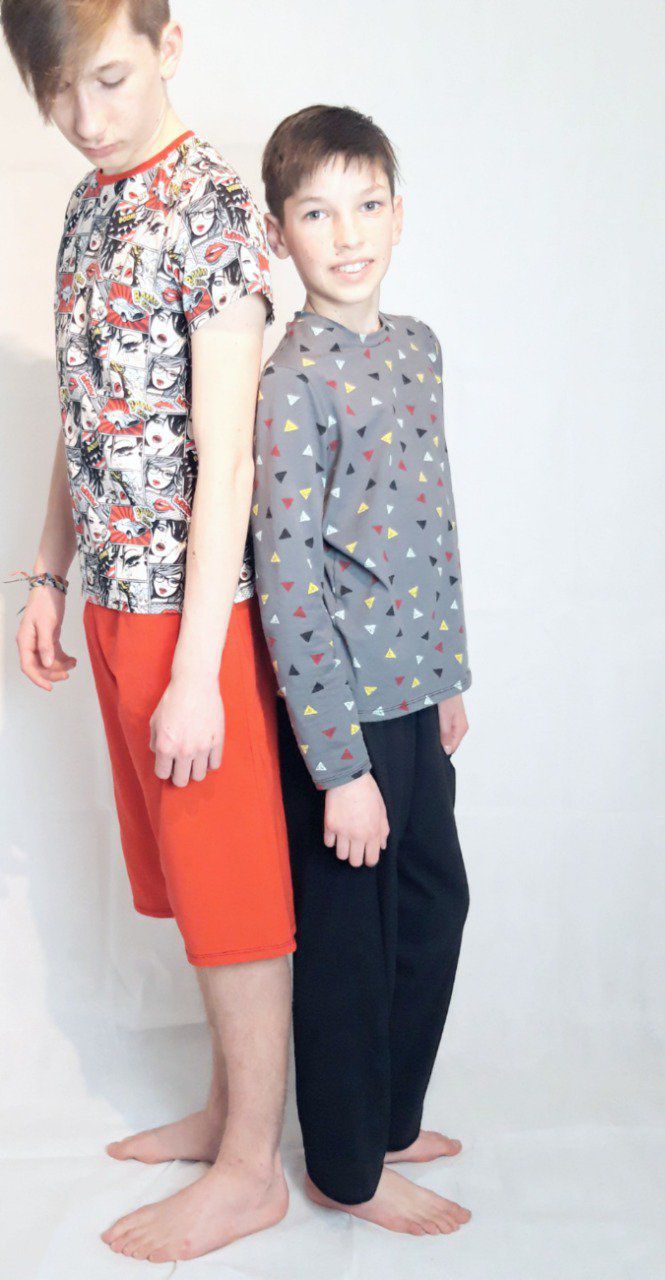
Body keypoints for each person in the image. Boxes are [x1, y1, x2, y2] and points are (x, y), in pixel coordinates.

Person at [2, 0, 294, 1263]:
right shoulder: (89, 205)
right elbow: (86, 410)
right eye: (57, 92)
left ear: (168, 50)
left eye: (108, 79)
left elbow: (228, 463)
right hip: (114, 600)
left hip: (199, 614)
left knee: (233, 887)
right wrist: (48, 571)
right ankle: (227, 1113)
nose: (83, 117)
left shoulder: (213, 210)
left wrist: (197, 672)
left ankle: (251, 1170)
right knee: (185, 878)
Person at [252, 104, 473, 1237]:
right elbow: (286, 574)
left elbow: (430, 519)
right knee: (348, 942)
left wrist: (448, 675)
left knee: (434, 901)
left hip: (415, 692)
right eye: (316, 212)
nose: (347, 234)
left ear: (397, 211)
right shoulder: (291, 378)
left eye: (367, 204)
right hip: (341, 711)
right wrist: (338, 766)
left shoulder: (417, 346)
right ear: (279, 233)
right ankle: (347, 1168)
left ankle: (388, 1118)